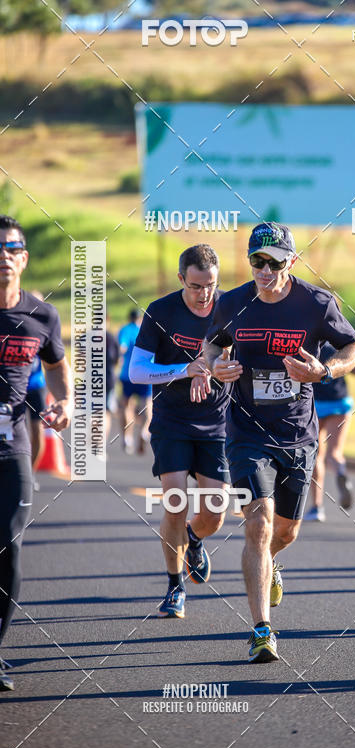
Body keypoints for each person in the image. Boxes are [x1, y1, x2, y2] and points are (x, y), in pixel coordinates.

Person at [203, 222, 355, 663]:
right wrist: (216, 367)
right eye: (258, 261)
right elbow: (211, 347)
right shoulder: (233, 303)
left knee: (286, 532)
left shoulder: (315, 303)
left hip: (297, 433)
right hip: (247, 430)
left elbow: (353, 349)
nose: (266, 270)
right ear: (249, 262)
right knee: (259, 523)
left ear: (292, 261)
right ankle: (261, 630)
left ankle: (269, 564)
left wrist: (324, 371)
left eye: (275, 261)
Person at [129, 245, 230, 620]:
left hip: (218, 422)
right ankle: (175, 586)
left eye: (211, 285)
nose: (204, 295)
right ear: (181, 279)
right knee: (174, 500)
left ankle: (195, 538)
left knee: (215, 514)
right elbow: (137, 372)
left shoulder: (231, 309)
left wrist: (221, 369)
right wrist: (182, 371)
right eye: (196, 286)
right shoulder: (161, 311)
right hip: (172, 420)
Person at [0, 216, 72, 690]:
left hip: (12, 449)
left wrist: (64, 402)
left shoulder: (41, 316)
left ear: (24, 258)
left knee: (8, 547)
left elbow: (59, 369)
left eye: (12, 249)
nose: (3, 256)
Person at [305, 343, 355, 522]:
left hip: (315, 403)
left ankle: (317, 506)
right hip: (340, 402)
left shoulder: (310, 337)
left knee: (316, 455)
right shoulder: (343, 341)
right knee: (335, 452)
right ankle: (340, 470)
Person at [118, 309, 151, 454]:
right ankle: (144, 431)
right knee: (147, 404)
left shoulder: (125, 330)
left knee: (127, 404)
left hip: (128, 373)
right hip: (147, 373)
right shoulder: (148, 330)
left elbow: (122, 348)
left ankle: (128, 437)